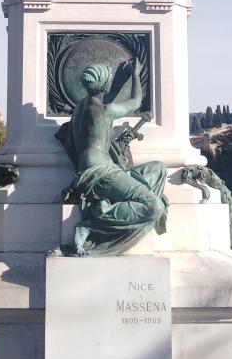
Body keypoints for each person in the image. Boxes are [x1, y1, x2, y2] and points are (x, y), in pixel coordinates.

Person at [55, 59, 167, 255]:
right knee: (154, 206)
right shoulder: (106, 111)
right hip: (103, 174)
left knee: (159, 169)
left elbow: (103, 100)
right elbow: (136, 102)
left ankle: (109, 205)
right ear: (105, 85)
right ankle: (90, 225)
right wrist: (135, 74)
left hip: (93, 171)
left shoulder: (80, 109)